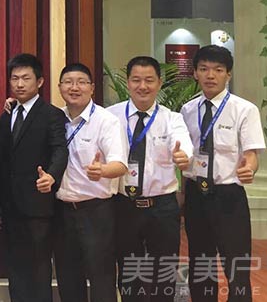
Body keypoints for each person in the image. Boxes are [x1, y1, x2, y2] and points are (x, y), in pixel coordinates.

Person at [181, 45, 265, 301]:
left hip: (228, 196)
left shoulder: (244, 109)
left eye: (218, 70)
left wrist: (249, 169)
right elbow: (186, 153)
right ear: (195, 73)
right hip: (196, 194)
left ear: (228, 74)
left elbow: (251, 153)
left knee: (236, 264)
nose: (210, 75)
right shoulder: (187, 110)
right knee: (200, 262)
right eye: (204, 69)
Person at [107, 56, 193, 302]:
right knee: (128, 272)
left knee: (163, 273)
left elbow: (183, 144)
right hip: (124, 205)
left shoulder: (172, 118)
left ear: (159, 83)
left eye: (149, 80)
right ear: (128, 82)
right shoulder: (110, 116)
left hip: (162, 207)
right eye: (136, 80)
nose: (142, 86)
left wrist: (183, 156)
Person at [0, 53, 68, 302]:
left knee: (39, 268)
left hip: (39, 205)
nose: (19, 84)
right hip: (10, 206)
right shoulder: (8, 113)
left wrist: (52, 175)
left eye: (26, 78)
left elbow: (60, 149)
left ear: (40, 81)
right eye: (14, 78)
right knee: (15, 268)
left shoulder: (51, 114)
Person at [54, 63, 128, 302]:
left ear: (92, 88)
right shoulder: (55, 119)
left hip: (96, 212)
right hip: (62, 211)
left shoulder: (106, 121)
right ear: (60, 87)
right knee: (67, 276)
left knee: (101, 276)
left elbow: (120, 164)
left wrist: (102, 170)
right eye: (68, 82)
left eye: (81, 82)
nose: (74, 87)